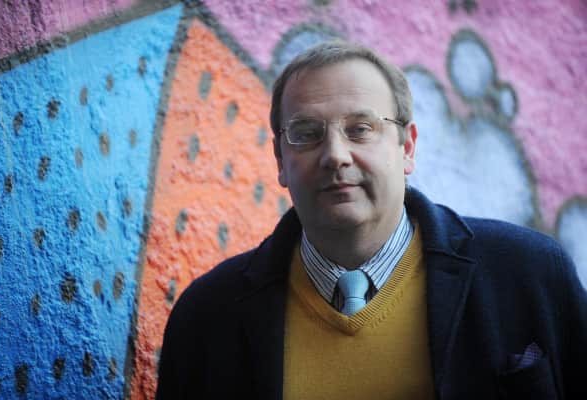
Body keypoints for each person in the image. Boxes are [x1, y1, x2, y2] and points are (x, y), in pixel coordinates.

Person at [156, 41, 587, 399]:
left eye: (360, 129)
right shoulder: (207, 318)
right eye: (306, 133)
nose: (335, 156)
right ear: (280, 160)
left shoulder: (528, 274)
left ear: (407, 147)